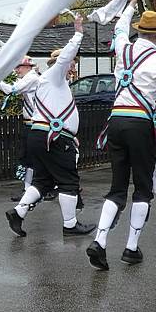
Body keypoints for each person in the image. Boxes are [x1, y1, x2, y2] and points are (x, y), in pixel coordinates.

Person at [87, 0, 156, 270]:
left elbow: (119, 27)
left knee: (117, 187)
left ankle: (100, 241)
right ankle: (130, 247)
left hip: (115, 121)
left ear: (138, 31)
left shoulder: (123, 50)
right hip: (140, 125)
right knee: (142, 187)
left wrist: (131, 2)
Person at [6, 14, 94, 238]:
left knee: (43, 181)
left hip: (42, 135)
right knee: (68, 180)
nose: (73, 65)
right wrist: (78, 34)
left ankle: (18, 213)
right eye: (73, 62)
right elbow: (65, 58)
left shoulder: (53, 82)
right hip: (53, 138)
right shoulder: (54, 75)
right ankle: (70, 225)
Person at [0, 56, 40, 201]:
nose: (16, 70)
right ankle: (28, 190)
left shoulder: (32, 78)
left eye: (18, 67)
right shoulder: (28, 78)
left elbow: (11, 90)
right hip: (30, 124)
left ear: (27, 67)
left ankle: (41, 188)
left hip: (35, 124)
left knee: (34, 157)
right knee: (28, 157)